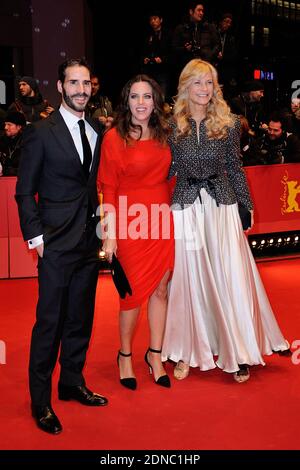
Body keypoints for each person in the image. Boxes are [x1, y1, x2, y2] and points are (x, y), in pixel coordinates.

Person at [162, 59, 291, 384]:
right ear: (185, 87)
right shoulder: (171, 124)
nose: (204, 89)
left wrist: (246, 205)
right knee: (189, 280)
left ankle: (238, 349)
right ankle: (187, 348)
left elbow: (235, 167)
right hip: (186, 207)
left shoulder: (230, 122)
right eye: (197, 83)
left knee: (228, 276)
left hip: (222, 206)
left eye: (209, 83)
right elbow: (166, 169)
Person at [15, 58, 108, 435]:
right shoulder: (40, 131)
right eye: (74, 83)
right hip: (53, 243)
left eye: (86, 83)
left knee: (80, 318)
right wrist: (36, 238)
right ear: (60, 86)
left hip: (88, 241)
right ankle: (41, 401)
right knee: (49, 323)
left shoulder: (98, 129)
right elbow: (24, 192)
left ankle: (71, 382)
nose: (81, 89)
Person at [98, 74, 174, 390]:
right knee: (130, 295)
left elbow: (173, 177)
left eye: (146, 97)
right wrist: (109, 232)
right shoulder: (114, 137)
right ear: (126, 101)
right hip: (129, 220)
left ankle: (155, 354)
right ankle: (125, 354)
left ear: (155, 101)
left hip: (161, 217)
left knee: (160, 289)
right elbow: (108, 187)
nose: (141, 103)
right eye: (134, 97)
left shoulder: (166, 134)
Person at [0, 111, 26, 176]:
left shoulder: (27, 143)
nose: (5, 127)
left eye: (9, 124)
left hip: (21, 180)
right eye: (5, 124)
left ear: (19, 127)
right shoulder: (2, 141)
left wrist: (7, 171)